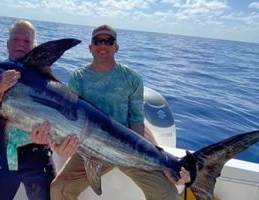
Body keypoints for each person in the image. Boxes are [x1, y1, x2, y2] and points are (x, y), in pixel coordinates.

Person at [50, 25, 190, 200]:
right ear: (90, 47)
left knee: (167, 194)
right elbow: (71, 118)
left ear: (116, 47)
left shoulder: (132, 79)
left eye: (109, 41)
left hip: (128, 147)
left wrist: (160, 164)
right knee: (59, 189)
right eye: (97, 41)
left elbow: (137, 122)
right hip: (90, 147)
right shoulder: (78, 78)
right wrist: (59, 145)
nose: (103, 45)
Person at [0, 20, 77, 200]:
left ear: (34, 46)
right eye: (16, 39)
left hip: (37, 154)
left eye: (26, 41)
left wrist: (55, 144)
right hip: (2, 156)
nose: (20, 43)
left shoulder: (45, 79)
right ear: (8, 44)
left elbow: (59, 117)